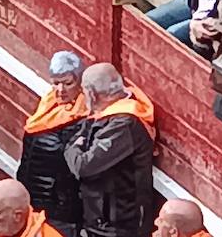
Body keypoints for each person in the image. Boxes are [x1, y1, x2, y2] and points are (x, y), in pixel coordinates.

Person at [64, 63, 156, 237]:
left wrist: (75, 147)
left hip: (118, 226)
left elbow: (83, 166)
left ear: (92, 94)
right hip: (104, 219)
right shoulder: (108, 113)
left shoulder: (124, 124)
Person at [17, 51, 88, 234]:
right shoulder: (47, 105)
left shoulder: (86, 116)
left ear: (80, 83)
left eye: (67, 83)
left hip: (61, 209)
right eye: (56, 83)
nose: (60, 90)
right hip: (33, 198)